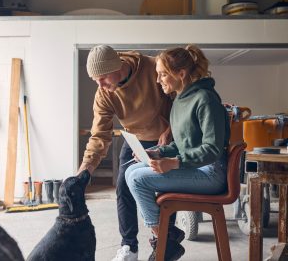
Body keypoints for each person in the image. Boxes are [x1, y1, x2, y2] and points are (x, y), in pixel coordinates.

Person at [125, 44, 230, 261]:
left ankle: (163, 240)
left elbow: (211, 149)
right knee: (131, 171)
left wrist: (173, 163)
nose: (158, 80)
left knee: (137, 179)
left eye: (163, 74)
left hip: (211, 174)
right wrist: (157, 151)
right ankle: (166, 238)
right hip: (195, 168)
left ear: (181, 74)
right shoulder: (180, 100)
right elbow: (183, 144)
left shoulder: (206, 99)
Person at [78, 45, 173, 261]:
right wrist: (84, 172)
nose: (100, 85)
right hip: (135, 139)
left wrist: (171, 130)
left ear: (118, 66)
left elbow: (180, 99)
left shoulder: (152, 67)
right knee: (123, 187)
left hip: (164, 137)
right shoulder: (103, 94)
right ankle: (129, 247)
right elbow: (99, 135)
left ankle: (164, 245)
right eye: (95, 80)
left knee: (165, 192)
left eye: (102, 78)